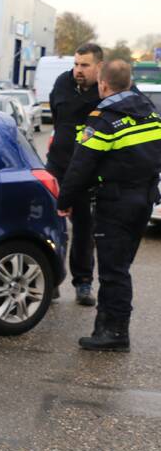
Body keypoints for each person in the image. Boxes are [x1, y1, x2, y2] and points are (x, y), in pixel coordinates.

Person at [56, 60, 161, 351]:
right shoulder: (150, 112)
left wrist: (64, 201)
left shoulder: (104, 118)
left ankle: (113, 332)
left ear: (103, 84)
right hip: (143, 201)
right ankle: (110, 327)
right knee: (121, 266)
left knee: (114, 271)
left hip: (116, 203)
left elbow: (81, 165)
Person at [47, 43, 104, 306]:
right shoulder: (62, 83)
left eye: (85, 65)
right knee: (53, 227)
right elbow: (57, 116)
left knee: (84, 229)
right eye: (76, 64)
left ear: (99, 67)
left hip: (88, 173)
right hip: (58, 167)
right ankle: (51, 281)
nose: (78, 70)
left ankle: (83, 283)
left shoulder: (106, 90)